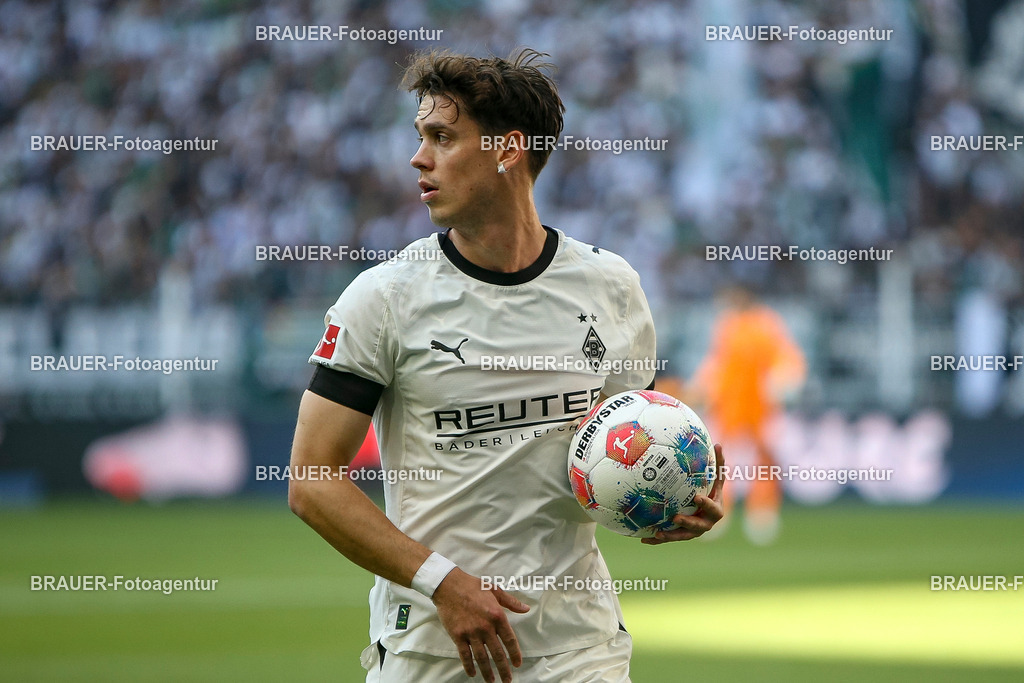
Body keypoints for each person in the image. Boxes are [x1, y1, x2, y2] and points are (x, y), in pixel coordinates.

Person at [288, 48, 725, 683]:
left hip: (581, 650)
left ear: (508, 150)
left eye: (442, 138)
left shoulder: (611, 288)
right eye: (421, 137)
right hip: (431, 652)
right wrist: (442, 583)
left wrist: (676, 498)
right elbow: (311, 480)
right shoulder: (384, 299)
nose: (419, 158)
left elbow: (635, 440)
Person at [689, 283, 805, 545]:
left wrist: (783, 380)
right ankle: (718, 510)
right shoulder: (727, 324)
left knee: (765, 458)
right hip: (729, 403)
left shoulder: (766, 323)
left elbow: (786, 356)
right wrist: (703, 387)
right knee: (719, 459)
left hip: (761, 405)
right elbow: (717, 363)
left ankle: (762, 512)